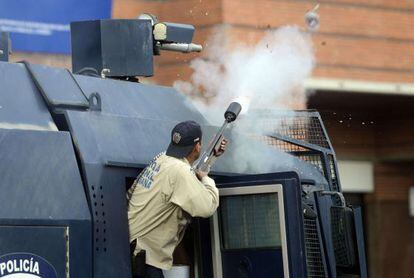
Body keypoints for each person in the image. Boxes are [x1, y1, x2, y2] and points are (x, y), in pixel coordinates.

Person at [127, 120, 227, 278]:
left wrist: (210, 159)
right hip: (144, 259)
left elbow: (187, 174)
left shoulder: (161, 158)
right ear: (197, 147)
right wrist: (207, 179)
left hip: (133, 252)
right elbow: (208, 206)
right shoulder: (180, 172)